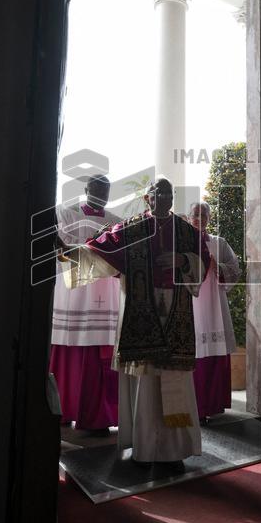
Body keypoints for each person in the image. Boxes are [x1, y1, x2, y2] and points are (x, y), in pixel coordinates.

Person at [60, 178, 210, 470]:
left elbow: (203, 262)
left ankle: (173, 450)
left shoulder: (186, 231)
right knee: (145, 378)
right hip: (141, 310)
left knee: (173, 376)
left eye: (168, 193)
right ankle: (145, 446)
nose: (163, 198)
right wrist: (69, 252)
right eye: (157, 193)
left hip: (176, 312)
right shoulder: (132, 229)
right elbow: (99, 250)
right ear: (147, 198)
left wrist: (183, 260)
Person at [50, 175, 122, 435]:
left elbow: (123, 258)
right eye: (97, 188)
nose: (102, 193)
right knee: (67, 354)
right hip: (73, 298)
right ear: (86, 189)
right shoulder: (67, 214)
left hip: (105, 300)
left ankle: (98, 417)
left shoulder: (116, 222)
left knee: (101, 358)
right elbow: (56, 246)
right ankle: (63, 410)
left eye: (106, 189)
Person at [187, 202, 241, 422]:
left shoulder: (219, 243)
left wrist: (218, 267)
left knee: (216, 354)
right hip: (192, 304)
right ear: (189, 218)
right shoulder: (183, 243)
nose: (200, 218)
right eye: (195, 214)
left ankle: (213, 404)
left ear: (210, 217)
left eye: (204, 214)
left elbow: (235, 267)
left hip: (216, 306)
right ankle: (196, 406)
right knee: (195, 354)